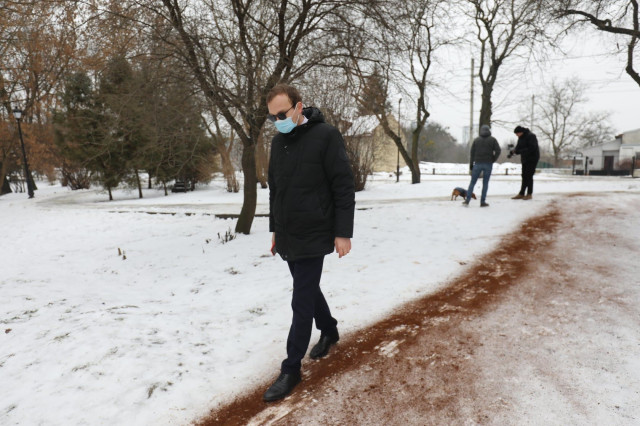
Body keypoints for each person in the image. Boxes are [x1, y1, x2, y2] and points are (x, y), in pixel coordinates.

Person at [263, 83, 355, 402]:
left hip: (316, 231)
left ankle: (291, 368)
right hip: (289, 233)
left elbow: (343, 185)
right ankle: (329, 329)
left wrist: (343, 232)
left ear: (299, 107)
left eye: (282, 114)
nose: (278, 121)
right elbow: (275, 190)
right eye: (272, 117)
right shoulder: (278, 143)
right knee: (308, 288)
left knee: (301, 299)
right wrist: (275, 231)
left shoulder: (326, 136)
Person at [463, 124, 501, 207]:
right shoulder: (493, 140)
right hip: (488, 163)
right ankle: (482, 202)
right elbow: (498, 150)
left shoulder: (476, 140)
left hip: (477, 163)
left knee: (472, 182)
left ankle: (467, 200)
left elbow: (472, 153)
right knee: (485, 183)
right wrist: (493, 159)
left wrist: (471, 164)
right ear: (489, 130)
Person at [510, 125, 540, 200]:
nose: (516, 135)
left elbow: (532, 148)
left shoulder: (531, 136)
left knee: (529, 176)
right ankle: (521, 193)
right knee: (524, 175)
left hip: (532, 158)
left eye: (517, 133)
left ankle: (529, 194)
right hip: (525, 159)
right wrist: (513, 152)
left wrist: (519, 151)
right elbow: (518, 147)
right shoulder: (520, 138)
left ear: (521, 132)